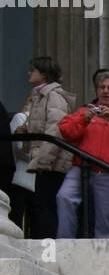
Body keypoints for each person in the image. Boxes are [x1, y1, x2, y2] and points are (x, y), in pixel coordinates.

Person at [56, 69, 109, 238]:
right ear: (96, 91)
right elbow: (65, 130)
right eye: (102, 87)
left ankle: (104, 257)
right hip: (81, 168)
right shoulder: (85, 111)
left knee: (106, 221)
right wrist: (84, 119)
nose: (105, 91)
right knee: (64, 197)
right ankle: (64, 242)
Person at [14, 55, 74, 239]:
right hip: (42, 161)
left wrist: (43, 161)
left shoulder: (53, 96)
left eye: (33, 70)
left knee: (45, 207)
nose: (29, 73)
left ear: (45, 74)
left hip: (50, 164)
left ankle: (47, 249)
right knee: (40, 206)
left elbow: (55, 131)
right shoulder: (39, 96)